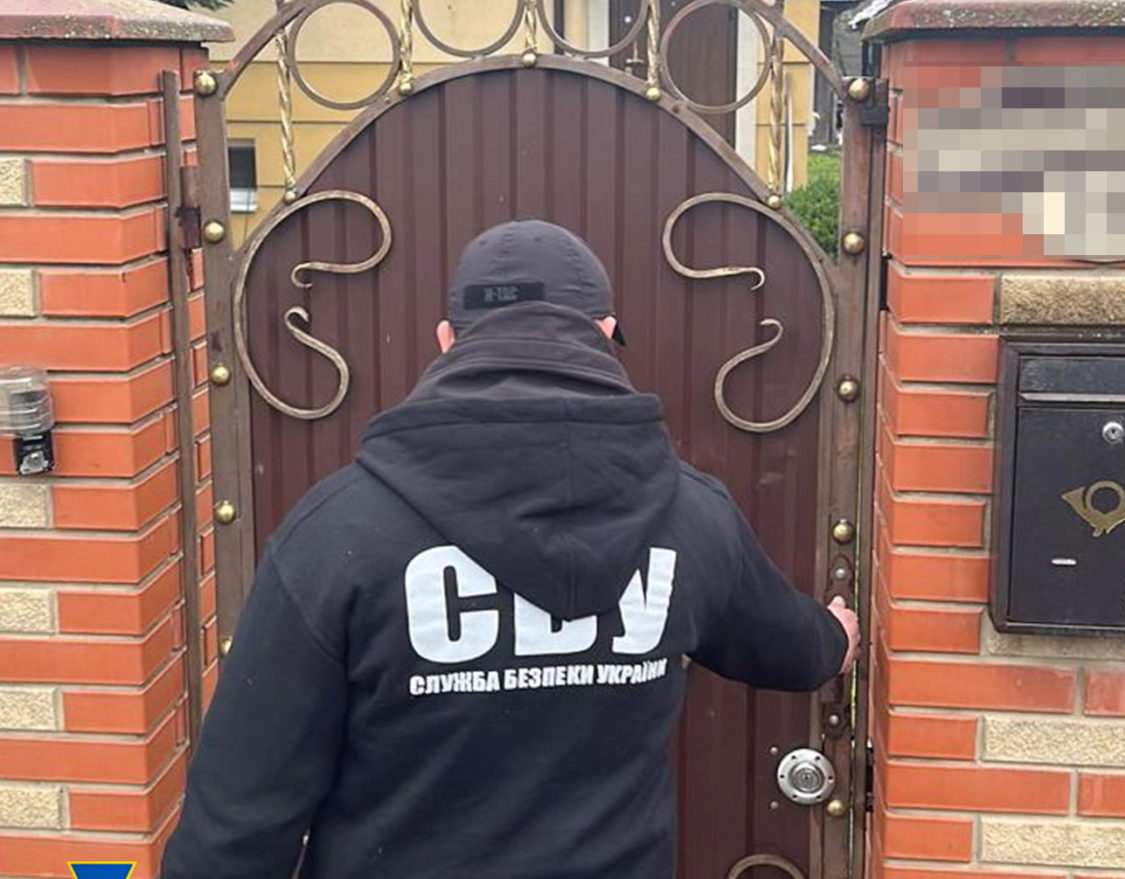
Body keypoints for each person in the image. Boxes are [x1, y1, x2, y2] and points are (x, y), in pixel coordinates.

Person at [162, 219, 860, 879]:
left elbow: (237, 822)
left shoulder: (336, 534)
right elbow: (790, 649)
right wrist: (836, 636)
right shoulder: (692, 516)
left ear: (447, 340)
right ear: (605, 333)